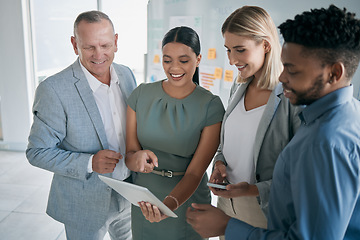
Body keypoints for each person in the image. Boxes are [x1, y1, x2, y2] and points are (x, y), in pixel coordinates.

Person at [187, 4, 360, 239]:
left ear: (335, 74)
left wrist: (229, 226)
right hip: (234, 204)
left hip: (260, 214)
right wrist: (220, 163)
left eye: (292, 69)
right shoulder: (341, 115)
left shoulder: (323, 141)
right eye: (228, 50)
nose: (282, 76)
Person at [26, 11, 136, 240]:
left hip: (129, 194)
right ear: (75, 44)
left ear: (116, 42)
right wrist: (89, 162)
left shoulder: (126, 75)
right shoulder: (54, 90)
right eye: (89, 47)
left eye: (105, 45)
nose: (99, 55)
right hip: (84, 202)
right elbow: (36, 152)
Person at [207, 5, 301, 234]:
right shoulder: (238, 86)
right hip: (227, 205)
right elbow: (227, 142)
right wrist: (219, 164)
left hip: (265, 210)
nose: (231, 60)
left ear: (266, 45)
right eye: (228, 50)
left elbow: (301, 170)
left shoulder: (291, 96)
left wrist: (250, 190)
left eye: (240, 50)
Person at [125, 26, 225, 240]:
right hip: (145, 201)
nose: (174, 67)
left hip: (186, 201)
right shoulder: (141, 94)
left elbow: (195, 173)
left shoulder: (211, 106)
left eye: (184, 60)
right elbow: (130, 156)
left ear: (198, 59)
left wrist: (167, 206)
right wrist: (137, 159)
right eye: (167, 60)